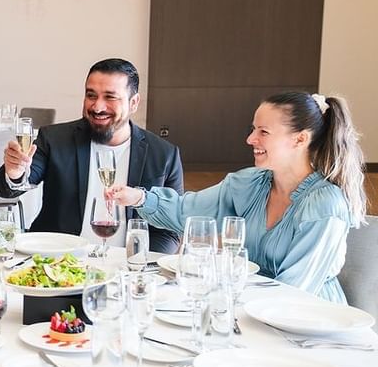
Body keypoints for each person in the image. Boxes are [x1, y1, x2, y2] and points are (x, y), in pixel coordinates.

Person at [108, 92, 366, 303]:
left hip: (308, 324)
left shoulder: (324, 205)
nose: (250, 139)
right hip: (249, 304)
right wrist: (138, 198)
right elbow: (188, 211)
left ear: (300, 139)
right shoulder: (249, 183)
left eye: (263, 132)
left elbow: (294, 293)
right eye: (253, 129)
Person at [0, 58, 185, 253]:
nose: (97, 107)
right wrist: (15, 173)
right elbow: (9, 190)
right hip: (57, 262)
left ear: (134, 103)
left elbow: (170, 230)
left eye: (110, 97)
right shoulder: (54, 139)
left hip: (126, 268)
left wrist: (140, 263)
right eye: (91, 95)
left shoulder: (164, 155)